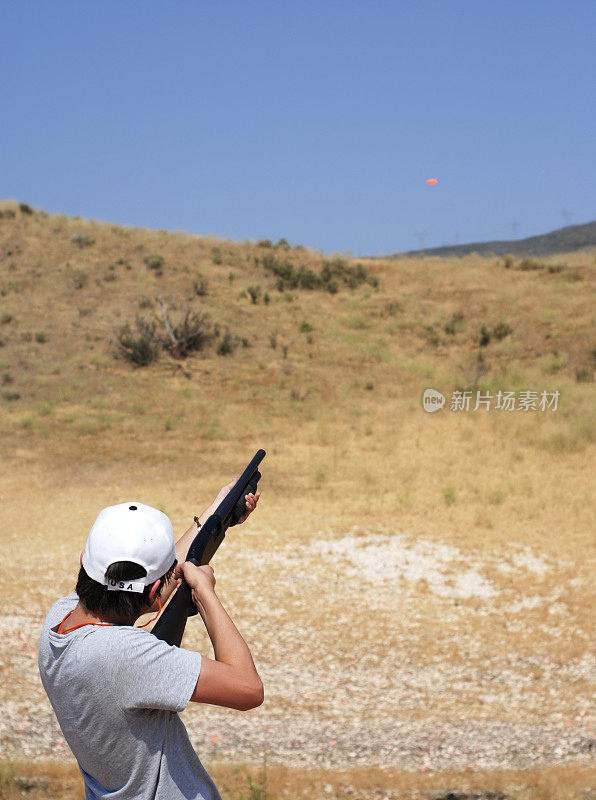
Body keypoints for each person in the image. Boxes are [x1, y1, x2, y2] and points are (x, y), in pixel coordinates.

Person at [38, 482, 262, 800]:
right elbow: (248, 689)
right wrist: (205, 594)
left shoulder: (58, 620)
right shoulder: (125, 656)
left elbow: (144, 582)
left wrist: (216, 514)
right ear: (157, 594)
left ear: (84, 562)